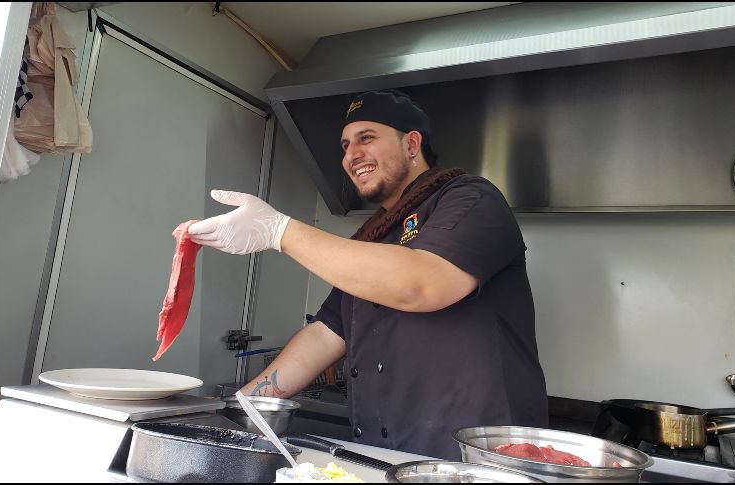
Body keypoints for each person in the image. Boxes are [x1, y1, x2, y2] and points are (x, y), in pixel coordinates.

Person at [188, 89, 548, 459]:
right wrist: (241, 407)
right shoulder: (373, 238)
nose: (351, 155)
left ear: (411, 143)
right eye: (345, 145)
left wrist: (278, 230)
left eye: (367, 138)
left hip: (476, 457)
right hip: (386, 453)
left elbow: (421, 284)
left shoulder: (470, 198)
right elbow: (325, 335)